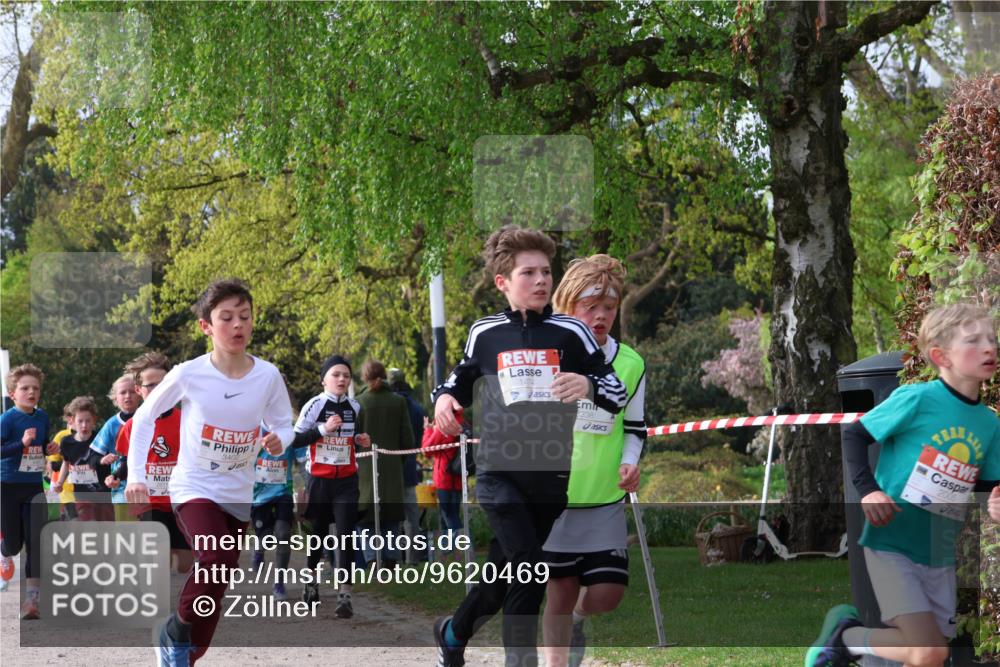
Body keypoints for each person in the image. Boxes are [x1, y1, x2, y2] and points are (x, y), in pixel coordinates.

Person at [431, 225, 627, 667]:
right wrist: (444, 399)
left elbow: (615, 393)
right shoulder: (485, 333)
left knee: (503, 578)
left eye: (546, 271)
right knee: (531, 571)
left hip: (550, 479)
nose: (542, 281)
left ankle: (452, 631)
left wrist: (588, 384)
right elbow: (457, 381)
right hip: (499, 474)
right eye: (529, 273)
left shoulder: (572, 333)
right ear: (503, 282)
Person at [807, 303, 1000, 667]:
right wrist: (868, 490)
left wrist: (994, 503)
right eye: (973, 341)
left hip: (939, 550)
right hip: (893, 540)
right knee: (928, 651)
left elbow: (988, 486)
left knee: (924, 653)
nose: (989, 347)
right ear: (940, 355)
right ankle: (847, 638)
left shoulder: (989, 425)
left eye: (991, 339)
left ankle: (853, 643)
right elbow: (855, 435)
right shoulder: (918, 399)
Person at [124, 278, 294, 667]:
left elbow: (285, 423)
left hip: (238, 492)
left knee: (218, 577)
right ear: (206, 326)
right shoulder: (188, 373)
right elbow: (144, 419)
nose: (237, 326)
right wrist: (137, 475)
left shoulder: (267, 376)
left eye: (245, 317)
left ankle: (185, 648)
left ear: (253, 322)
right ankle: (175, 635)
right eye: (227, 318)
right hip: (193, 486)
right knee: (215, 555)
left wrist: (279, 439)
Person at [541, 254, 647, 667]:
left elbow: (635, 426)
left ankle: (580, 621)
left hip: (604, 497)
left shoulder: (631, 363)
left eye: (609, 306)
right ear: (568, 305)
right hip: (557, 497)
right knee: (560, 593)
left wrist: (631, 462)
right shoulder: (546, 357)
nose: (601, 316)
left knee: (607, 595)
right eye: (590, 306)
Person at [291, 354, 371, 618]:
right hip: (320, 481)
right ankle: (311, 580)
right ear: (324, 379)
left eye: (346, 376)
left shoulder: (355, 407)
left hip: (347, 481)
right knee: (319, 536)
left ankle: (345, 595)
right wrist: (323, 430)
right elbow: (296, 440)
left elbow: (353, 436)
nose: (341, 379)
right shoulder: (314, 405)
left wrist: (360, 440)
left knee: (346, 536)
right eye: (336, 375)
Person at [109, 352, 192, 574]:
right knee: (159, 557)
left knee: (184, 564)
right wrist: (116, 475)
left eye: (163, 384)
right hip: (150, 501)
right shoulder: (132, 426)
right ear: (139, 390)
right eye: (150, 386)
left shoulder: (187, 420)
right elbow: (127, 460)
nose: (158, 391)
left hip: (180, 499)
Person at [0, 363, 50, 619]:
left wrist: (48, 448)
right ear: (13, 394)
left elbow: (43, 445)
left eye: (35, 388)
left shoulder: (42, 418)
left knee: (36, 541)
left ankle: (31, 601)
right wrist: (21, 444)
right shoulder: (7, 419)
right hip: (7, 486)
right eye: (25, 388)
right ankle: (3, 551)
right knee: (13, 543)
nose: (31, 392)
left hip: (33, 486)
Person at [356, 360, 415, 567]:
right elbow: (407, 440)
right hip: (392, 468)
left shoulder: (359, 403)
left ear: (364, 377)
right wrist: (397, 460)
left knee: (367, 517)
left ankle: (372, 559)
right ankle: (391, 559)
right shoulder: (398, 402)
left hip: (364, 470)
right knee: (391, 517)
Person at [251, 422, 306, 601]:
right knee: (265, 536)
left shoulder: (288, 432)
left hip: (284, 492)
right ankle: (259, 549)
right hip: (259, 495)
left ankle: (279, 582)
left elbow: (303, 460)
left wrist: (307, 484)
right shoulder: (252, 430)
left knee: (283, 534)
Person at [388, 367, 428, 565]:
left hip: (389, 467)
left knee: (391, 516)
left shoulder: (389, 404)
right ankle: (413, 559)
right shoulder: (416, 406)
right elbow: (421, 432)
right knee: (412, 516)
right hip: (410, 465)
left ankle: (393, 558)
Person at [53, 396, 112, 521]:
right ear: (73, 420)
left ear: (94, 420)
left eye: (88, 421)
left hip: (103, 494)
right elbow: (66, 462)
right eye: (80, 421)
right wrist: (60, 482)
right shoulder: (67, 442)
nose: (84, 425)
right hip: (82, 495)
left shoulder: (100, 439)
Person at [91, 374, 139, 521]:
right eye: (123, 392)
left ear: (139, 392)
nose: (128, 396)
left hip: (150, 488)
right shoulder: (112, 425)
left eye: (132, 391)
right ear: (115, 398)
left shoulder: (150, 418)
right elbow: (92, 458)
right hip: (121, 490)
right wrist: (102, 460)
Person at [421, 413, 467, 555]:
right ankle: (456, 549)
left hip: (444, 478)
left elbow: (426, 450)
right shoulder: (462, 424)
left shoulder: (444, 427)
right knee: (453, 514)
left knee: (447, 514)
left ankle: (456, 547)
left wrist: (428, 429)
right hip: (459, 478)